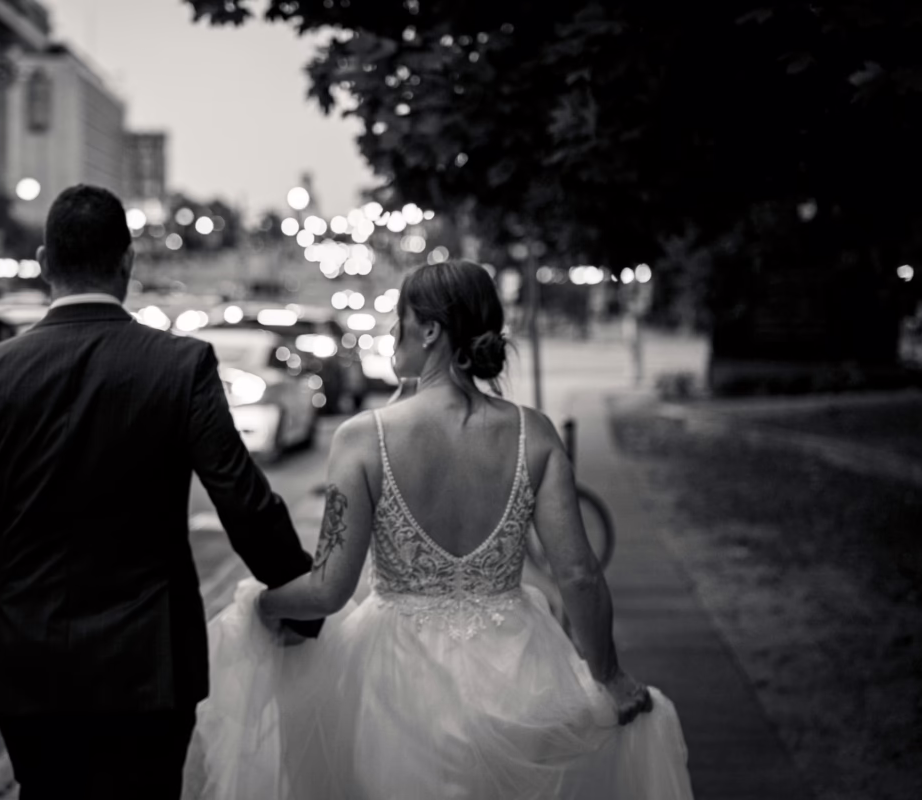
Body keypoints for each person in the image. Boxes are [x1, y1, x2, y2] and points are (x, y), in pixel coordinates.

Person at [184, 259, 695, 798]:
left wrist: (260, 607)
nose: (391, 333)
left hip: (393, 682)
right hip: (517, 668)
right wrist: (609, 676)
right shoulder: (534, 433)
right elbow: (579, 573)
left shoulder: (364, 438)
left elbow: (329, 588)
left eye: (398, 319)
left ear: (429, 330)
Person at [0, 185, 320, 800]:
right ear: (127, 263)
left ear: (45, 262)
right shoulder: (181, 365)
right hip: (151, 666)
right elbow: (243, 499)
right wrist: (301, 600)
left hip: (34, 668)